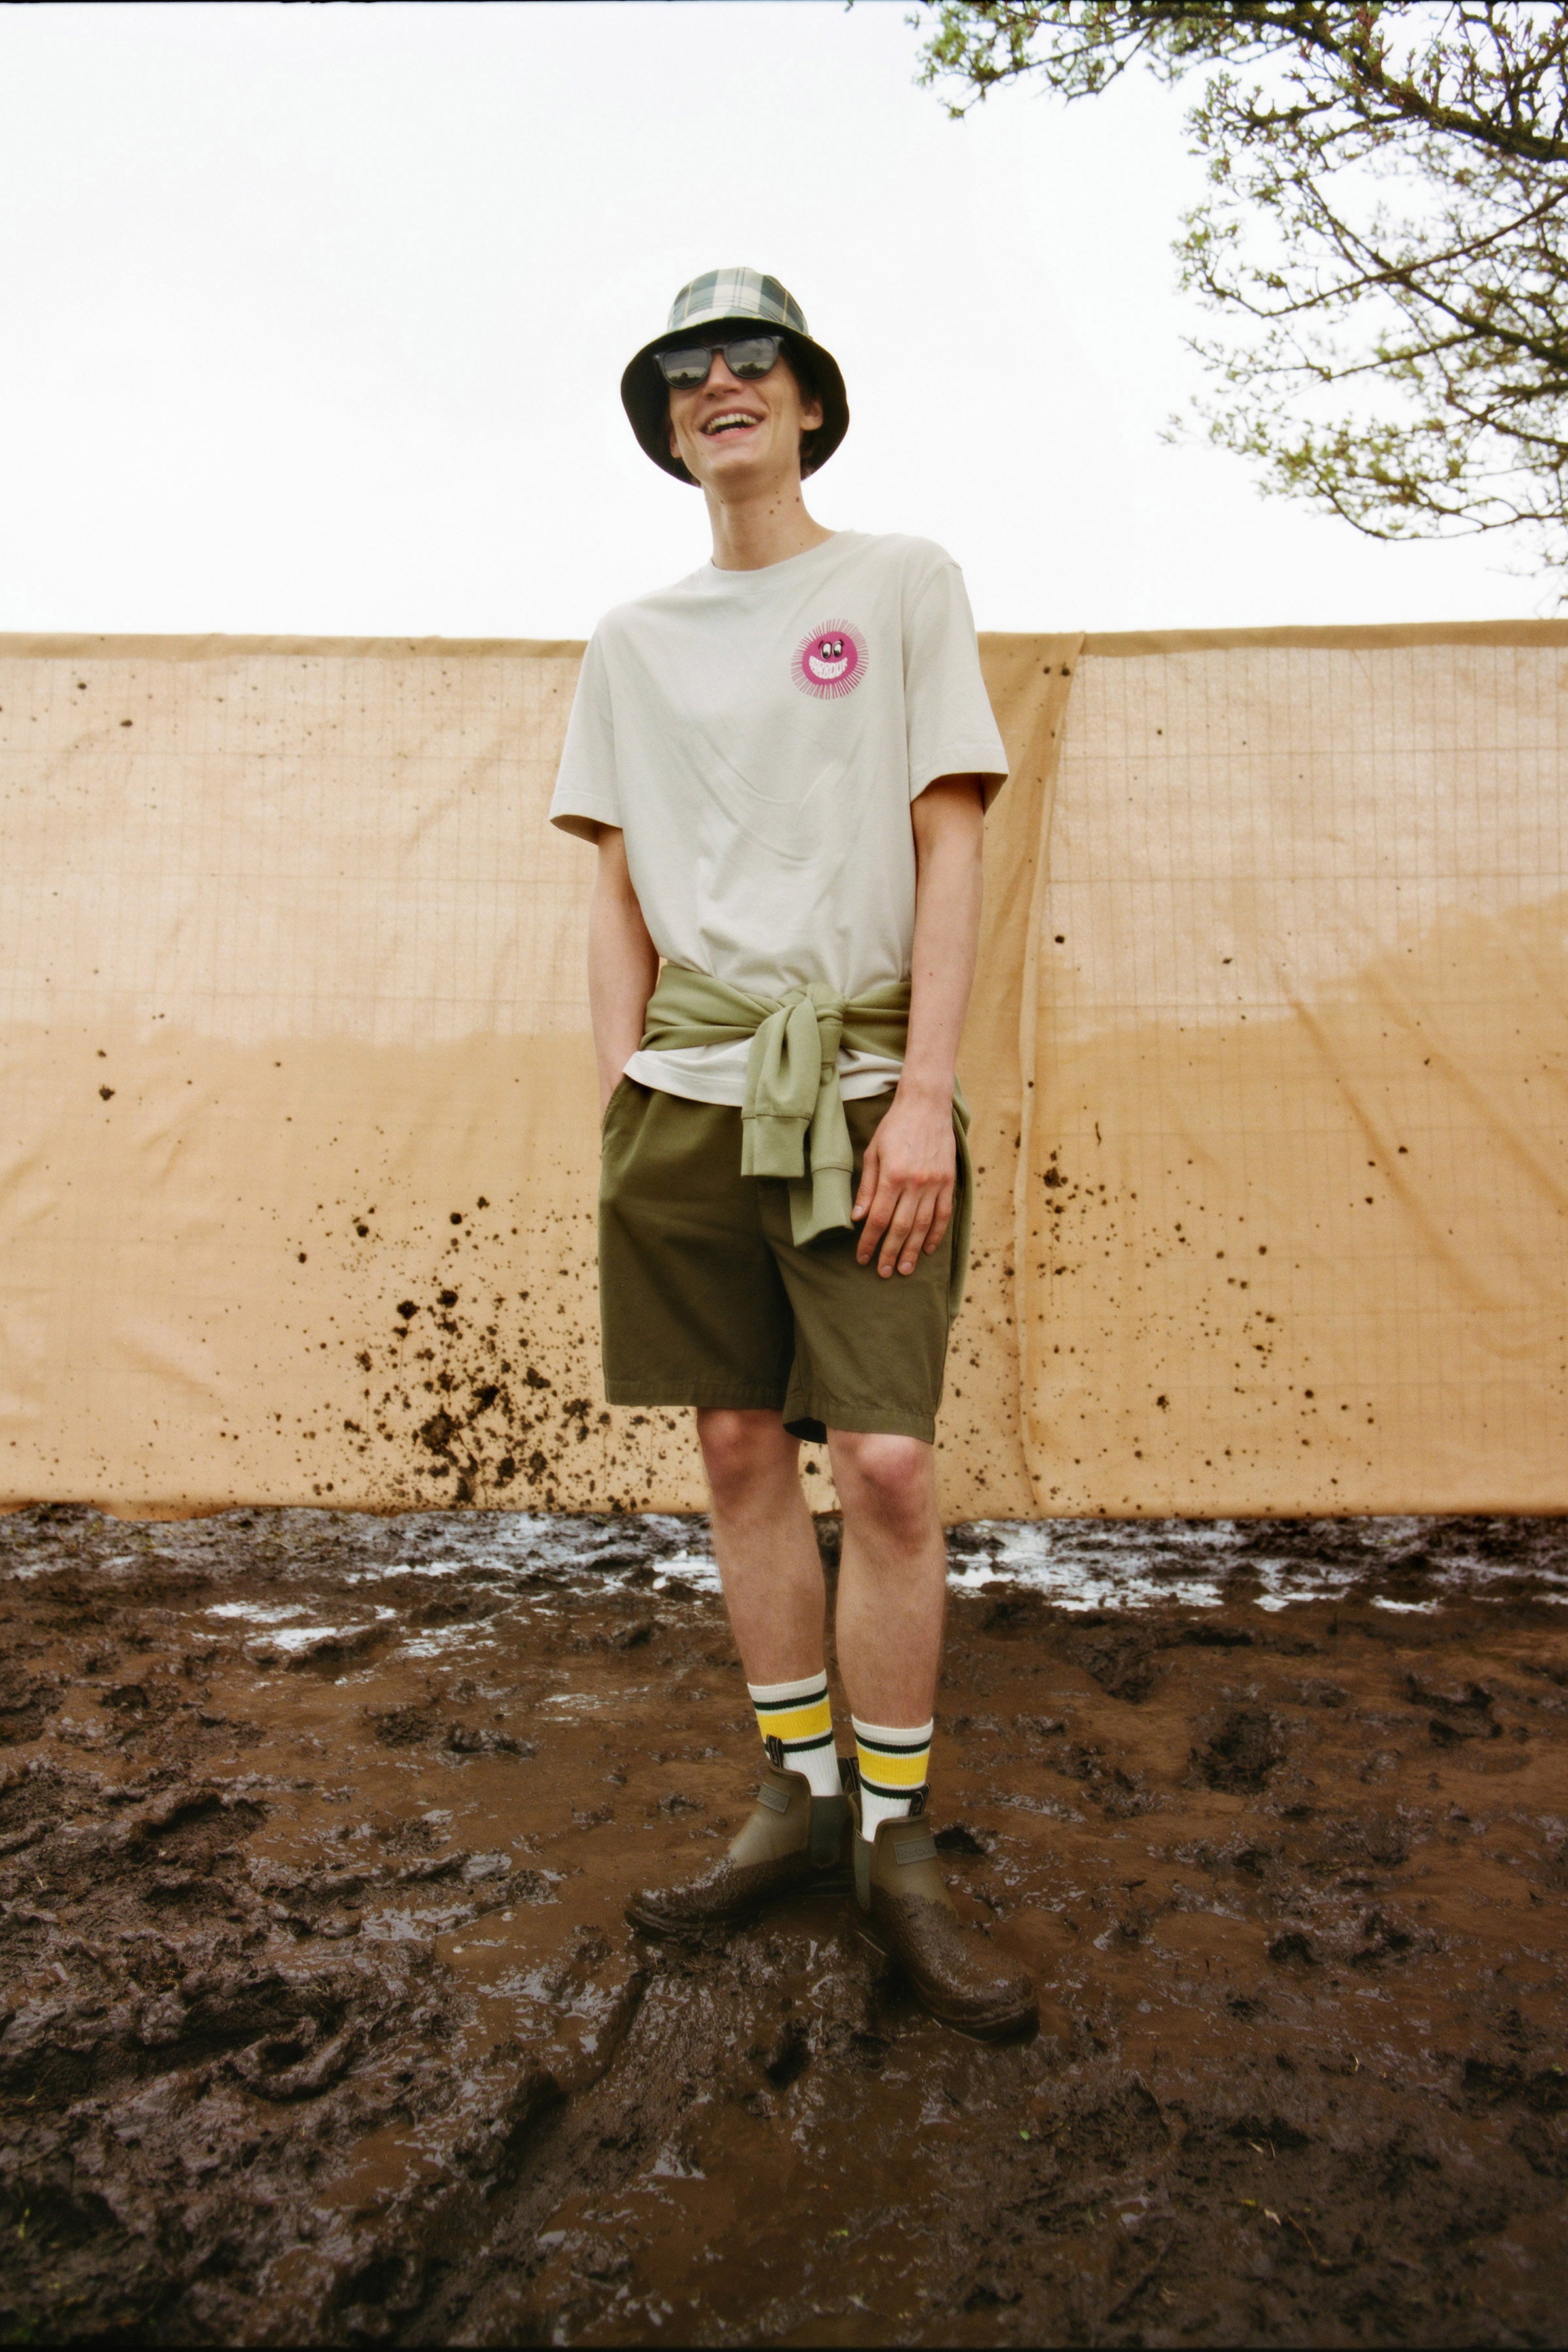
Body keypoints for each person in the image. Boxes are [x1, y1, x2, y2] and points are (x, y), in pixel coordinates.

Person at [549, 267, 1036, 2041]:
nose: (719, 381)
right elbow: (613, 881)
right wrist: (626, 1091)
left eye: (751, 355)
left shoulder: (901, 583)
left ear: (810, 400)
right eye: (687, 366)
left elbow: (952, 839)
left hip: (860, 1085)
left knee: (889, 1465)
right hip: (686, 1102)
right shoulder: (631, 640)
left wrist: (923, 1093)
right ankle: (795, 1801)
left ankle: (899, 1848)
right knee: (740, 1444)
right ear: (667, 422)